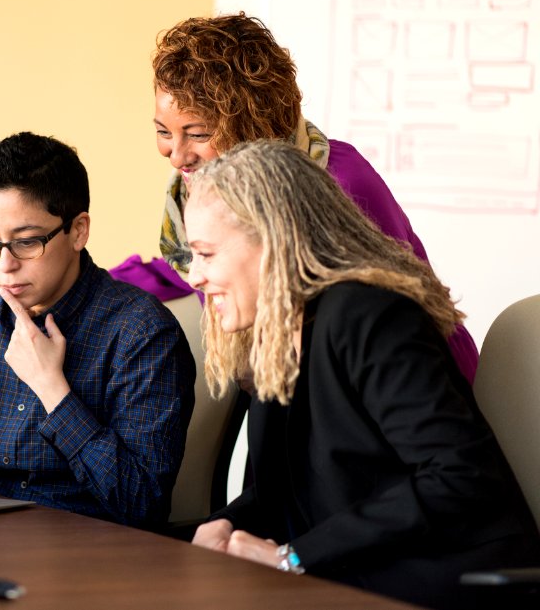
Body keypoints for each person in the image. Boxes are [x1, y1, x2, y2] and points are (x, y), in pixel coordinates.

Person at [184, 139, 540, 610]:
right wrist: (222, 529)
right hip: (360, 572)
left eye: (206, 254)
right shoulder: (277, 333)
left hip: (453, 579)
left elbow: (459, 476)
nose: (193, 276)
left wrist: (293, 558)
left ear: (271, 240)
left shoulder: (371, 317)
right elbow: (280, 495)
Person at [110, 12, 479, 385]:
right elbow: (198, 264)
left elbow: (396, 312)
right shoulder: (204, 189)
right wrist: (83, 284)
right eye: (163, 131)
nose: (176, 155)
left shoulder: (339, 180)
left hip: (413, 385)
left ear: (250, 125)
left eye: (198, 134)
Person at [0, 131, 196, 528]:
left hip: (92, 557)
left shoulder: (142, 334)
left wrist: (53, 390)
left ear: (78, 230)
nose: (5, 265)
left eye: (27, 242)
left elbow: (142, 503)